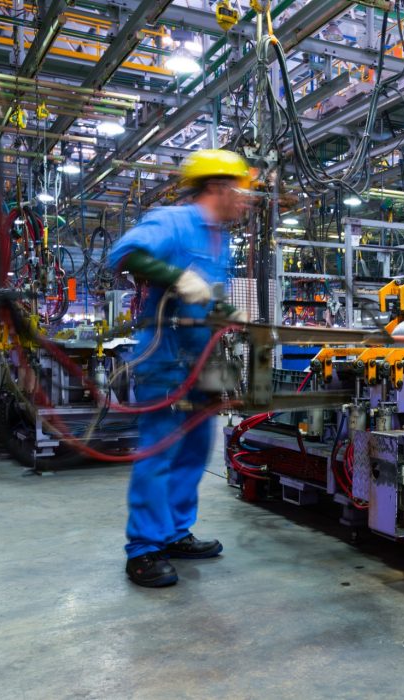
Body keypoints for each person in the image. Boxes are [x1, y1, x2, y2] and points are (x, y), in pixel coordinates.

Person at [108, 149, 251, 588]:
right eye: (241, 190)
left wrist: (225, 308)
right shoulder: (173, 220)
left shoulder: (218, 238)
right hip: (165, 357)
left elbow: (206, 294)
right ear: (218, 187)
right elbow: (124, 253)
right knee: (160, 451)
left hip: (202, 359)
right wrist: (177, 277)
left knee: (194, 450)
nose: (245, 200)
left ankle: (173, 533)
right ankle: (144, 549)